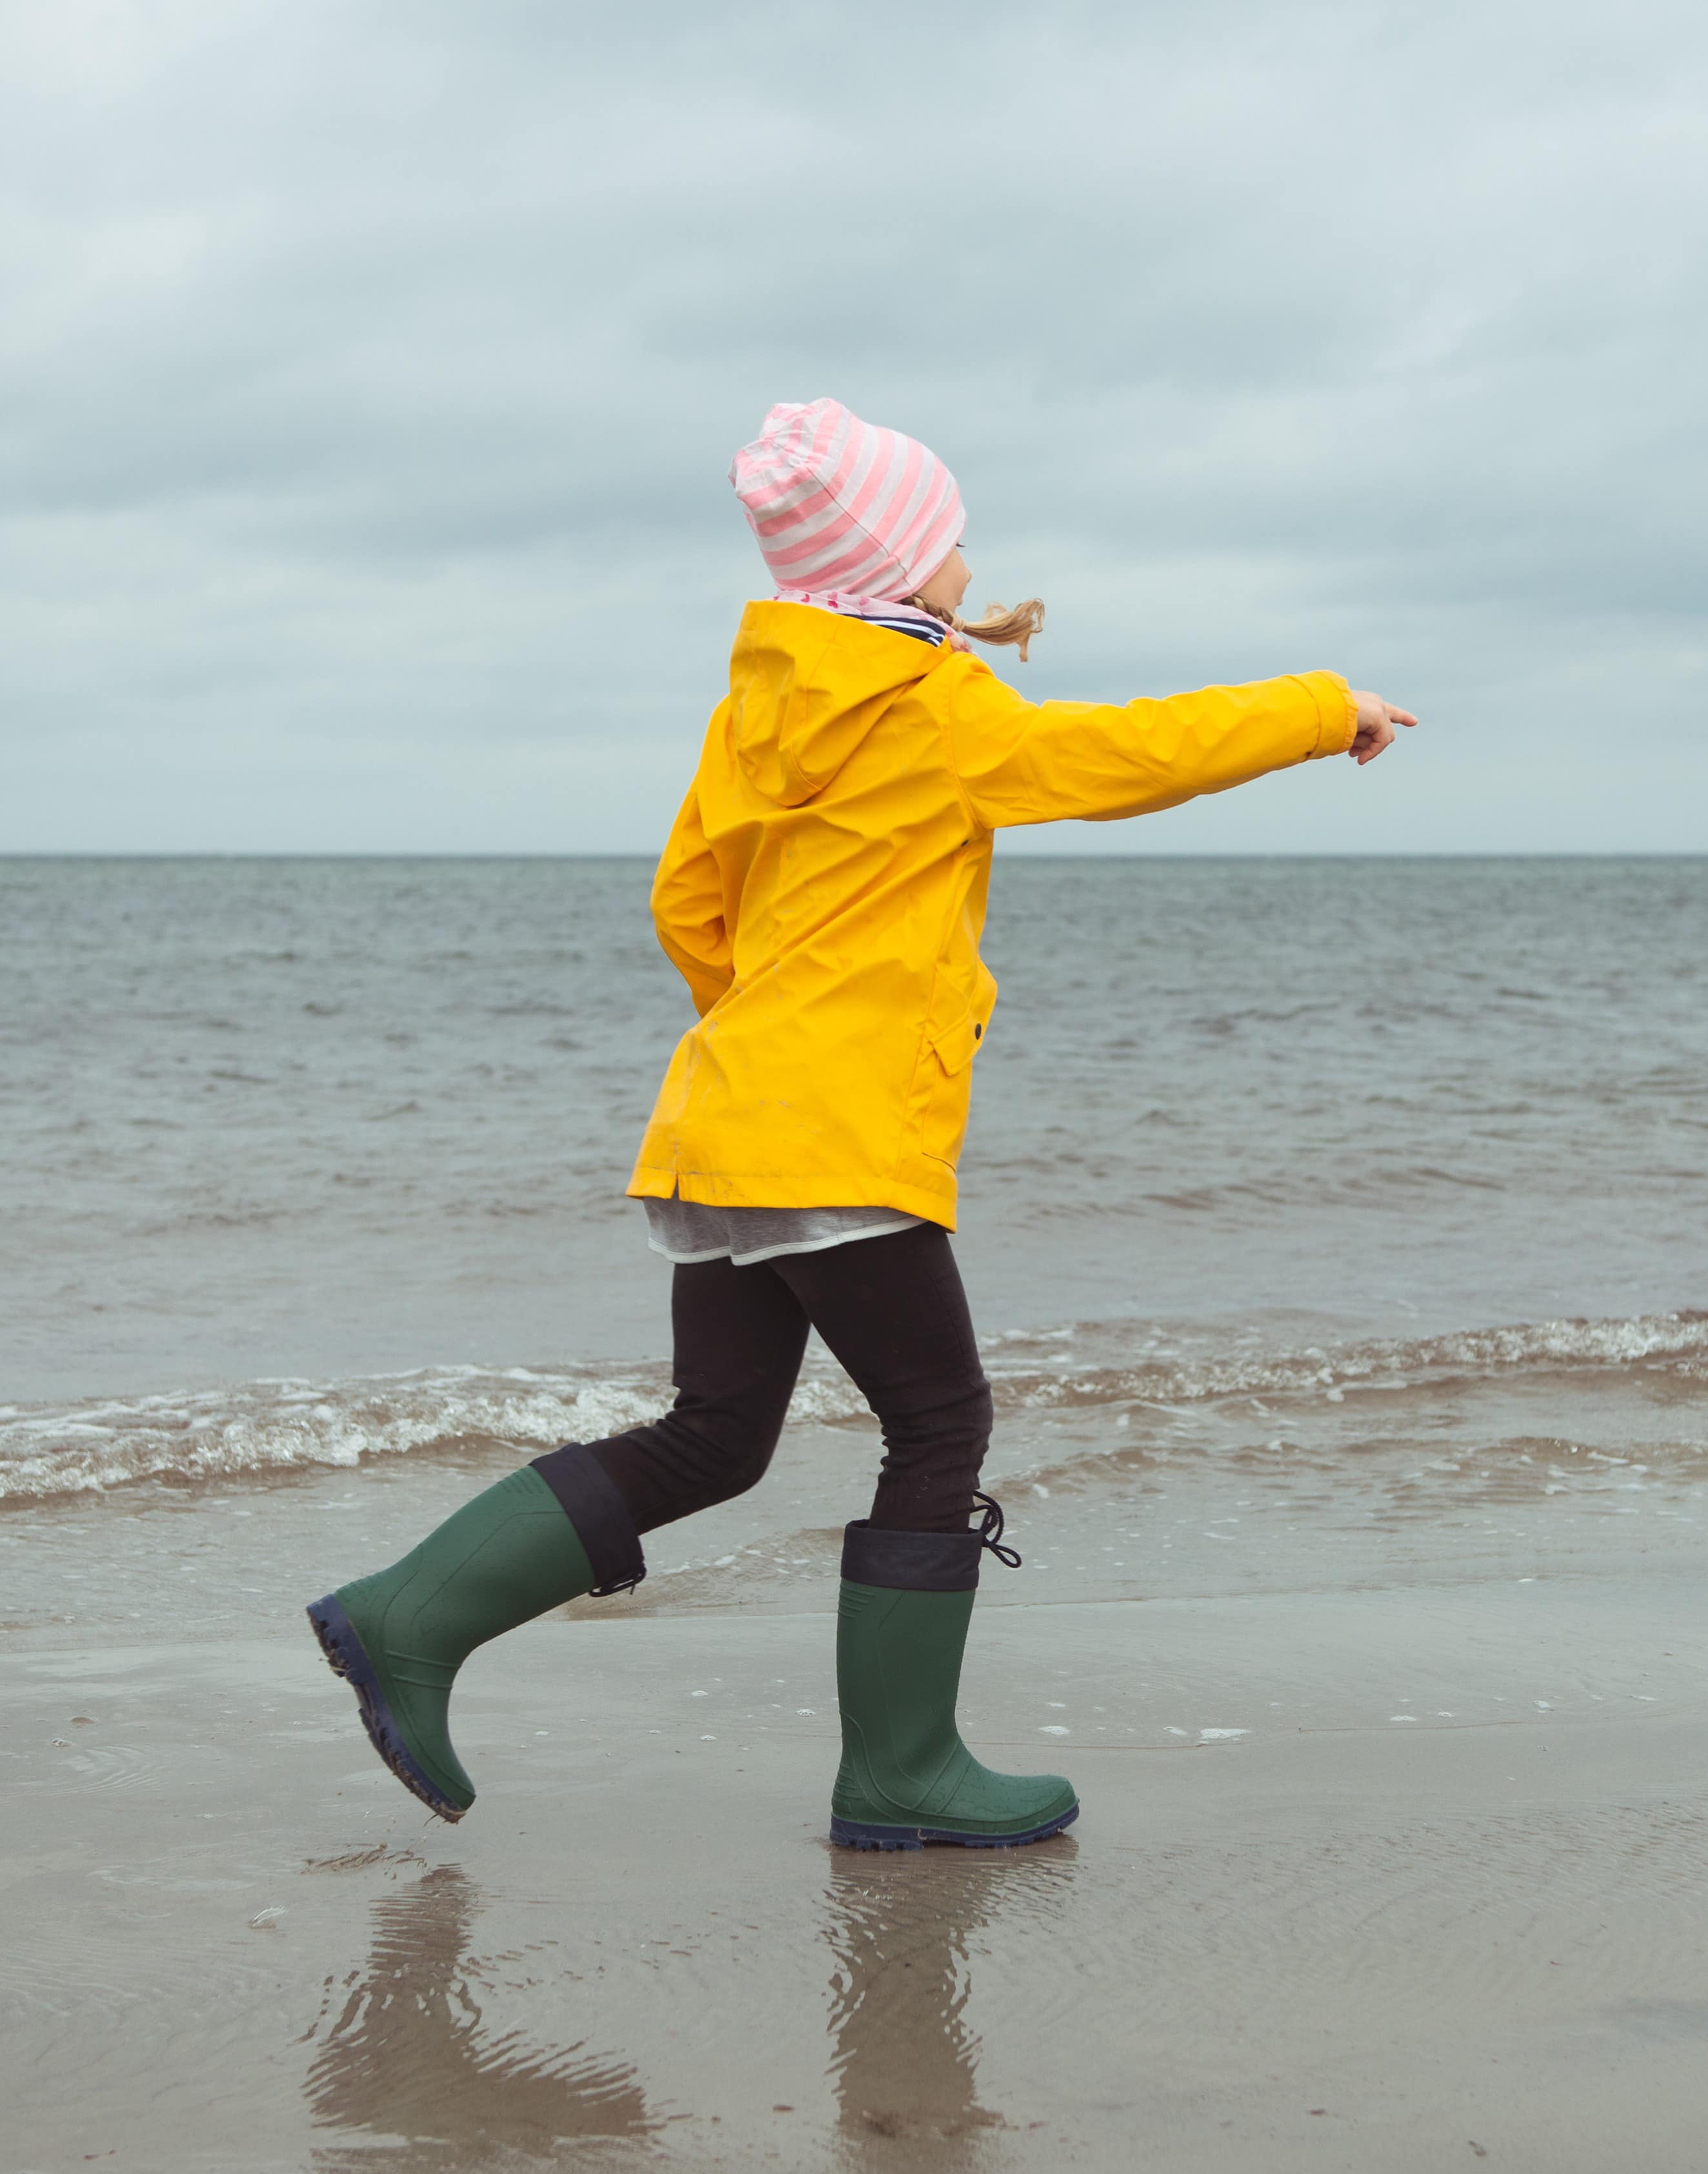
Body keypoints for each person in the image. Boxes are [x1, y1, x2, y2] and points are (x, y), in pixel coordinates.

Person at [308, 396, 1415, 1848]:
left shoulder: (759, 703)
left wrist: (768, 1027)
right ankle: (897, 1771)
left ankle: (407, 1613)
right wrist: (1324, 706)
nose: (965, 556)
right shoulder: (928, 705)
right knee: (938, 1420)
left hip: (723, 1118)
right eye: (946, 533)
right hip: (829, 1137)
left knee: (715, 1435)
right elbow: (1128, 755)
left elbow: (684, 902)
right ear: (894, 564)